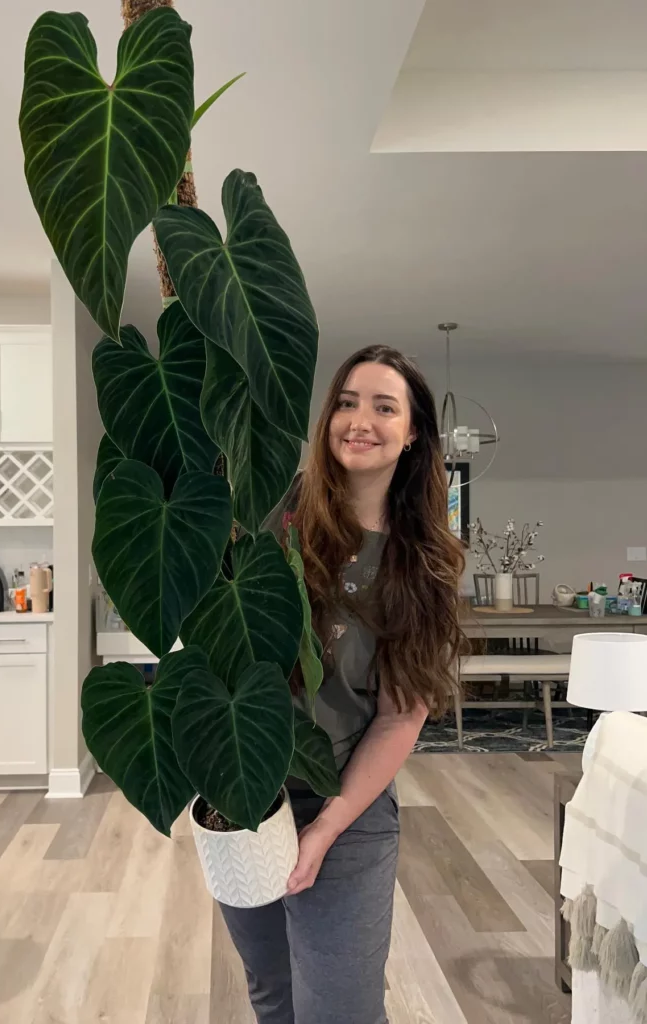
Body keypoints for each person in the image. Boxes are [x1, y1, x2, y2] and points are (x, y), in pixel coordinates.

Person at [219, 345, 466, 1024]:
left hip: (345, 801)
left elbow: (399, 715)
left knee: (341, 1009)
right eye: (347, 402)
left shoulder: (421, 562)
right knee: (273, 993)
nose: (359, 420)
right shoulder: (275, 508)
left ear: (412, 432)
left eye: (384, 407)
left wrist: (325, 829)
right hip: (246, 796)